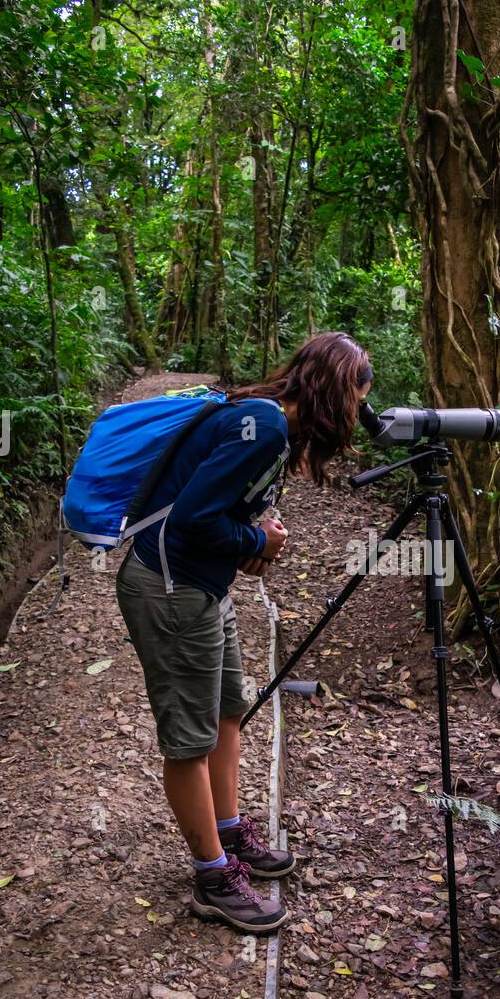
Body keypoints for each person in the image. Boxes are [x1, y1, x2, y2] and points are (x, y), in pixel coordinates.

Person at [116, 332, 373, 934]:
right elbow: (193, 519)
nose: (359, 413)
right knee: (188, 737)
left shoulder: (265, 422)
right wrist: (257, 543)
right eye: (357, 398)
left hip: (203, 585)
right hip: (171, 587)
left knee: (230, 709)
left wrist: (254, 536)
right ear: (336, 392)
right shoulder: (265, 425)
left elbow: (214, 506)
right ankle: (211, 876)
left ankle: (229, 832)